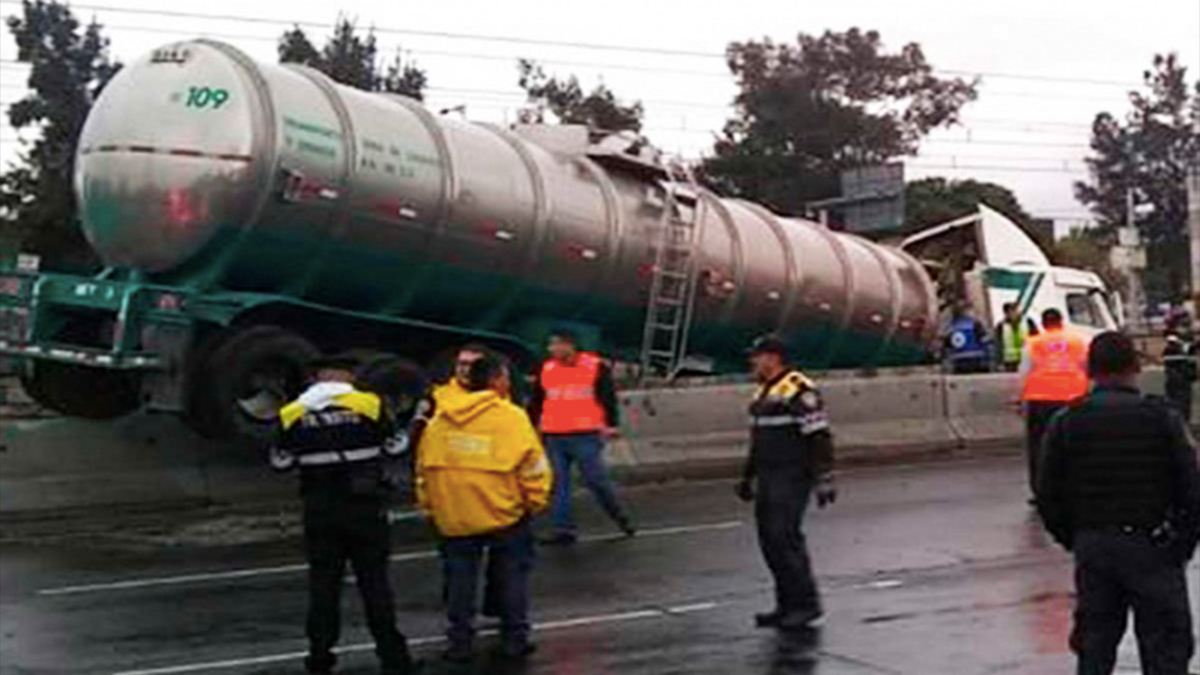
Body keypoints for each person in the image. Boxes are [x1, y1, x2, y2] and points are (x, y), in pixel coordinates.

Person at [1037, 331, 1200, 675]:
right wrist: (1181, 543)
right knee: (1166, 652)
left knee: (1095, 651)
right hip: (1153, 545)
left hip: (1095, 547)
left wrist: (1076, 537)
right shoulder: (1162, 418)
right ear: (1135, 367)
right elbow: (1191, 487)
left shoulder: (1067, 422)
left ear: (1088, 370)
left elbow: (1047, 494)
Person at [270, 353, 417, 675]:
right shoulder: (369, 405)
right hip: (365, 508)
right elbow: (395, 447)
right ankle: (393, 658)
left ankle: (320, 656)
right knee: (375, 584)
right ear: (347, 377)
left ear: (317, 378)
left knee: (323, 586)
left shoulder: (292, 413)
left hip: (320, 510)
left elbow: (280, 461)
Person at [416, 352, 552, 663]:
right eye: (505, 377)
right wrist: (534, 503)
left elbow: (424, 470)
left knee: (460, 581)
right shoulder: (511, 418)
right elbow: (533, 468)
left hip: (454, 515)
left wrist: (432, 507)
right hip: (503, 514)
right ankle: (514, 638)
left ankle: (459, 642)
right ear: (495, 381)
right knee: (512, 577)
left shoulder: (440, 419)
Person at [735, 334, 837, 631]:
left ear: (773, 357)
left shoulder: (799, 389)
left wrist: (824, 478)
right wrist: (746, 478)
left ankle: (806, 605)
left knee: (785, 539)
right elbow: (758, 443)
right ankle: (786, 605)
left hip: (792, 476)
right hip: (768, 476)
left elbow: (819, 436)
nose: (752, 361)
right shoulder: (762, 394)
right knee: (769, 542)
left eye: (757, 356)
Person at [409, 344, 505, 620]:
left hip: (492, 493)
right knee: (457, 560)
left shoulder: (501, 399)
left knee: (501, 558)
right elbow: (418, 440)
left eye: (472, 365)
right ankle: (457, 610)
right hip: (451, 492)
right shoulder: (438, 398)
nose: (465, 370)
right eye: (461, 364)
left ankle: (495, 604)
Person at [529, 329, 635, 545]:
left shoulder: (594, 367)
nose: (551, 349)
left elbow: (607, 397)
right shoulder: (547, 369)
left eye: (556, 344)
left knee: (596, 481)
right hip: (554, 434)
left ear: (569, 345)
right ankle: (563, 529)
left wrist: (612, 424)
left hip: (584, 434)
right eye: (551, 345)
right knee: (559, 484)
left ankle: (620, 517)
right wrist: (531, 424)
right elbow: (538, 400)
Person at [1018, 308, 1089, 501]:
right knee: (1073, 445)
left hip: (1040, 400)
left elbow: (1024, 372)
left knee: (1040, 447)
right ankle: (1074, 485)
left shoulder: (1034, 344)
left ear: (1043, 324)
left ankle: (1041, 491)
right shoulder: (1077, 342)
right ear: (1061, 321)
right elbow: (1087, 368)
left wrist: (1020, 400)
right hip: (1073, 399)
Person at [944, 304, 991, 374]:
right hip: (976, 359)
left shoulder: (951, 327)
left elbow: (947, 345)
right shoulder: (975, 324)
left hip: (958, 362)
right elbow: (985, 340)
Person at [1162, 326, 1196, 423]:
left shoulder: (1184, 347)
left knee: (1181, 403)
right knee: (1178, 402)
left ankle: (1182, 421)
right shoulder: (1174, 348)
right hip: (1178, 378)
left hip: (1181, 378)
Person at [994, 302, 1039, 372]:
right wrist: (999, 362)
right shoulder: (1001, 326)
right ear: (1006, 313)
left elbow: (1037, 339)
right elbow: (998, 344)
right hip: (1010, 362)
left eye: (1016, 310)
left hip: (1028, 358)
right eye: (1012, 311)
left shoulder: (1028, 322)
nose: (1015, 313)